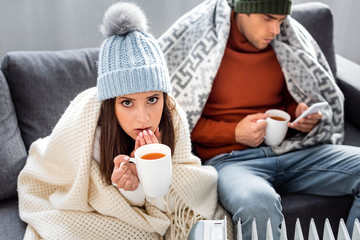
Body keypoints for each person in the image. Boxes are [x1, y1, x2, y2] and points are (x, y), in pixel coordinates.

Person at [17, 2, 226, 239]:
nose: (143, 117)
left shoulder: (171, 114)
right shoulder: (89, 125)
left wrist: (148, 174)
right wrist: (128, 186)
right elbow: (90, 197)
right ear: (111, 103)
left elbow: (180, 188)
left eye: (152, 99)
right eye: (127, 103)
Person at [158, 0, 360, 239]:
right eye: (268, 18)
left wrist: (300, 116)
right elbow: (173, 121)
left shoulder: (285, 45)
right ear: (243, 10)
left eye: (281, 20)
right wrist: (234, 133)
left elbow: (290, 101)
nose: (276, 30)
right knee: (257, 203)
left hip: (291, 151)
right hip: (231, 162)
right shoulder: (198, 43)